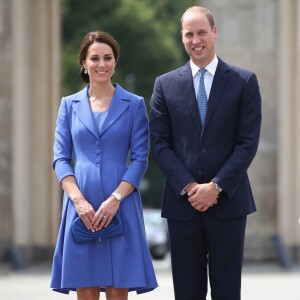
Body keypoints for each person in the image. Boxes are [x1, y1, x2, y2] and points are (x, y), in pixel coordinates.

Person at [150, 6, 261, 300]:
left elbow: (247, 143)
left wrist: (216, 186)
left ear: (214, 32)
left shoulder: (244, 82)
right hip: (181, 207)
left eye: (201, 32)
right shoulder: (165, 85)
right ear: (182, 38)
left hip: (228, 204)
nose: (195, 39)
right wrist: (189, 187)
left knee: (227, 292)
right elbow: (159, 144)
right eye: (189, 34)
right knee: (187, 293)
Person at [50, 31, 157, 300]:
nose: (102, 64)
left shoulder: (133, 105)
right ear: (84, 63)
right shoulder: (68, 105)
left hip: (121, 203)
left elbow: (140, 159)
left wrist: (115, 199)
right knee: (84, 285)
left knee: (117, 284)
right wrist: (78, 201)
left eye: (108, 58)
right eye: (94, 58)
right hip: (80, 203)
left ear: (115, 62)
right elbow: (61, 159)